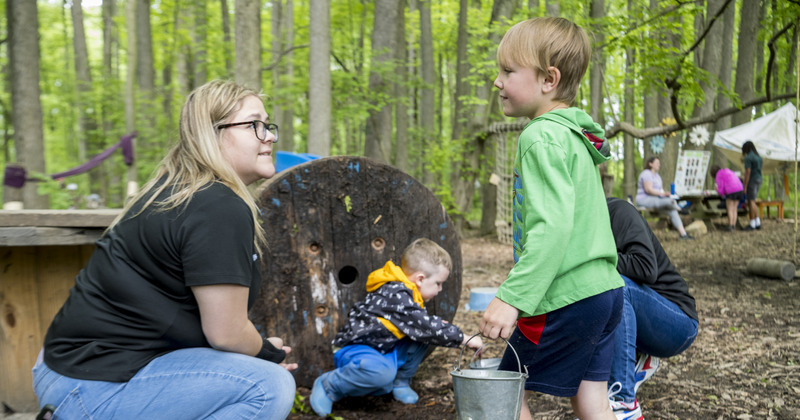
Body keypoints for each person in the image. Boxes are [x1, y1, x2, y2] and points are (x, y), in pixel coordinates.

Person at [32, 80, 298, 420]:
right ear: (212, 134)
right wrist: (265, 353)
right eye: (253, 125)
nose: (270, 136)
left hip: (65, 372)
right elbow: (227, 334)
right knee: (267, 387)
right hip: (89, 388)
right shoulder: (217, 205)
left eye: (268, 125)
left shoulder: (177, 191)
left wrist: (257, 349)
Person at [481, 17, 623, 420]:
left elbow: (553, 228)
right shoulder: (574, 136)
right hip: (605, 292)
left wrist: (512, 298)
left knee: (507, 395)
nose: (497, 81)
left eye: (508, 71)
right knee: (591, 400)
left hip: (567, 296)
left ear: (548, 79)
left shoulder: (539, 136)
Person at [309, 238, 483, 417]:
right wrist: (464, 338)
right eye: (438, 283)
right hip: (356, 349)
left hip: (382, 349)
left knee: (424, 336)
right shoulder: (397, 294)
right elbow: (426, 326)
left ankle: (399, 382)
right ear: (420, 279)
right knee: (384, 372)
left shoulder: (408, 294)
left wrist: (438, 329)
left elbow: (424, 327)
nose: (439, 289)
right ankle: (328, 385)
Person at [605, 197, 699, 419]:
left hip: (679, 322)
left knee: (612, 284)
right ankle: (636, 360)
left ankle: (623, 402)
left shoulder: (619, 212)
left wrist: (596, 259)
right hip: (646, 319)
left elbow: (647, 268)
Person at [635, 157, 693, 240]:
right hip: (644, 200)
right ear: (650, 164)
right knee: (670, 201)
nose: (659, 165)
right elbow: (648, 190)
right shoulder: (646, 173)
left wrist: (666, 194)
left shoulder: (657, 176)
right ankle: (680, 209)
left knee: (672, 210)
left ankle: (683, 235)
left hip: (656, 200)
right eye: (657, 163)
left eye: (659, 163)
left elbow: (659, 190)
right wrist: (663, 194)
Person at [710, 165, 745, 231]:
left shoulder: (718, 176)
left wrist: (716, 189)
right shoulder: (728, 171)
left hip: (732, 191)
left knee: (730, 209)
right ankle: (733, 225)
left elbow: (721, 190)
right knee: (734, 209)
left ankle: (730, 226)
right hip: (740, 189)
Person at [742, 141, 763, 230]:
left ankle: (752, 224)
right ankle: (757, 222)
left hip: (752, 180)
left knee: (751, 201)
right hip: (759, 179)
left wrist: (745, 186)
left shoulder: (749, 158)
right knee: (753, 200)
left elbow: (748, 172)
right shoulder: (759, 156)